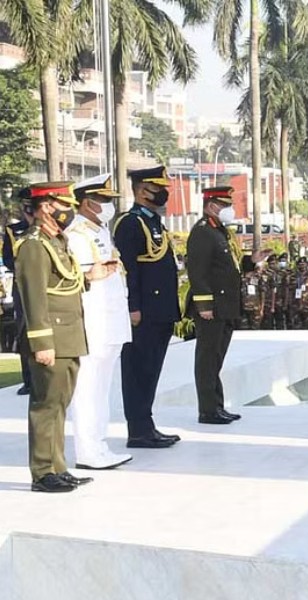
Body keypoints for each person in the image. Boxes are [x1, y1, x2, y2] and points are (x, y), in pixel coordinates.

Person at [16, 182, 92, 492]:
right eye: (64, 204)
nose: (68, 211)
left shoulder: (56, 240)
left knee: (60, 403)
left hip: (69, 334)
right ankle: (42, 472)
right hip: (52, 338)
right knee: (46, 405)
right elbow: (34, 298)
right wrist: (42, 343)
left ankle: (57, 466)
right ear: (47, 206)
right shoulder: (34, 244)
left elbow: (64, 283)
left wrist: (91, 277)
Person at [66, 174, 133, 469]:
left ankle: (99, 444)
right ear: (87, 202)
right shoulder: (77, 233)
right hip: (92, 321)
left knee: (102, 387)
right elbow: (83, 277)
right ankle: (87, 450)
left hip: (111, 320)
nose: (108, 205)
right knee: (87, 387)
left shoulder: (102, 230)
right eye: (104, 200)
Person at [113, 165, 181, 448]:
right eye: (158, 188)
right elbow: (129, 270)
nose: (164, 193)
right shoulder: (130, 223)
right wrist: (133, 307)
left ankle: (146, 425)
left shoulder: (153, 222)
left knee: (151, 369)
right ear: (143, 191)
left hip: (160, 309)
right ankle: (138, 430)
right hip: (143, 311)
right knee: (138, 370)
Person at [186, 186, 260, 425]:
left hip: (226, 305)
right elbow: (198, 272)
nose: (230, 210)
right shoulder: (203, 232)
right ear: (211, 206)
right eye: (225, 205)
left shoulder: (221, 232)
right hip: (212, 307)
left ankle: (217, 406)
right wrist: (204, 305)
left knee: (216, 358)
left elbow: (229, 268)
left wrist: (250, 262)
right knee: (207, 359)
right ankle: (207, 410)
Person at [3, 188, 34, 396]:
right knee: (25, 332)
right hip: (23, 287)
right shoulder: (13, 232)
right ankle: (29, 380)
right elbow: (8, 260)